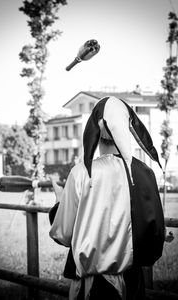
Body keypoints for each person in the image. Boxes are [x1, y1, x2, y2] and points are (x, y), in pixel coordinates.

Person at [49, 96, 165, 300]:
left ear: (93, 130)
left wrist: (59, 203)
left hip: (94, 288)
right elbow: (154, 235)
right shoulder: (145, 172)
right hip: (134, 282)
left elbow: (63, 234)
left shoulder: (81, 173)